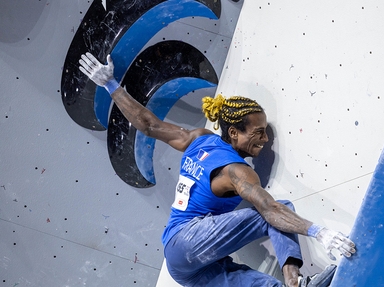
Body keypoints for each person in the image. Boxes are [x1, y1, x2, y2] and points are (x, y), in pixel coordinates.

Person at [78, 52, 356, 287]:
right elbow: (270, 211)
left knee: (247, 279)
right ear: (234, 132)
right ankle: (296, 282)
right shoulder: (237, 171)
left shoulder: (198, 139)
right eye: (258, 133)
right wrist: (320, 232)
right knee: (276, 209)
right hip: (188, 241)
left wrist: (110, 84)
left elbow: (148, 125)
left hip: (182, 266)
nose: (265, 139)